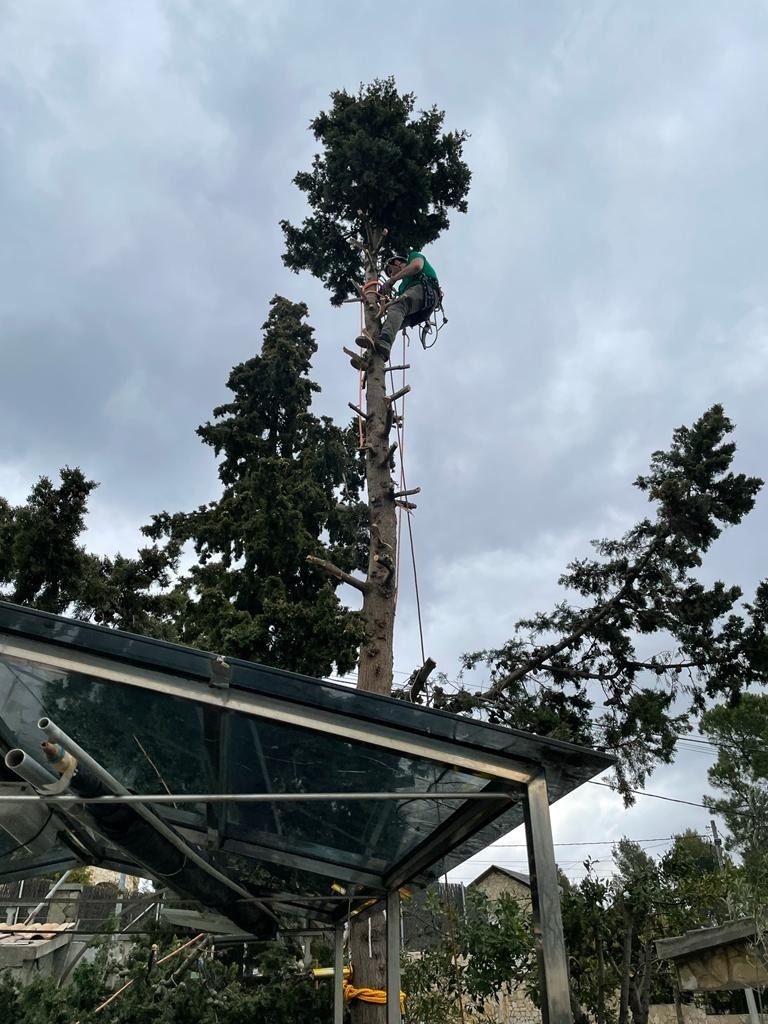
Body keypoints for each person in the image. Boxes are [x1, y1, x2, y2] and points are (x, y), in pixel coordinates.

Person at [357, 251, 440, 359]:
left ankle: (385, 342)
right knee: (385, 327)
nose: (391, 275)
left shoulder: (413, 257)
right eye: (389, 274)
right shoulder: (402, 287)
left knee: (397, 307)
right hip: (421, 312)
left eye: (390, 271)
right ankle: (372, 355)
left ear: (397, 262)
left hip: (426, 290)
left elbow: (417, 266)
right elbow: (396, 311)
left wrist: (392, 281)